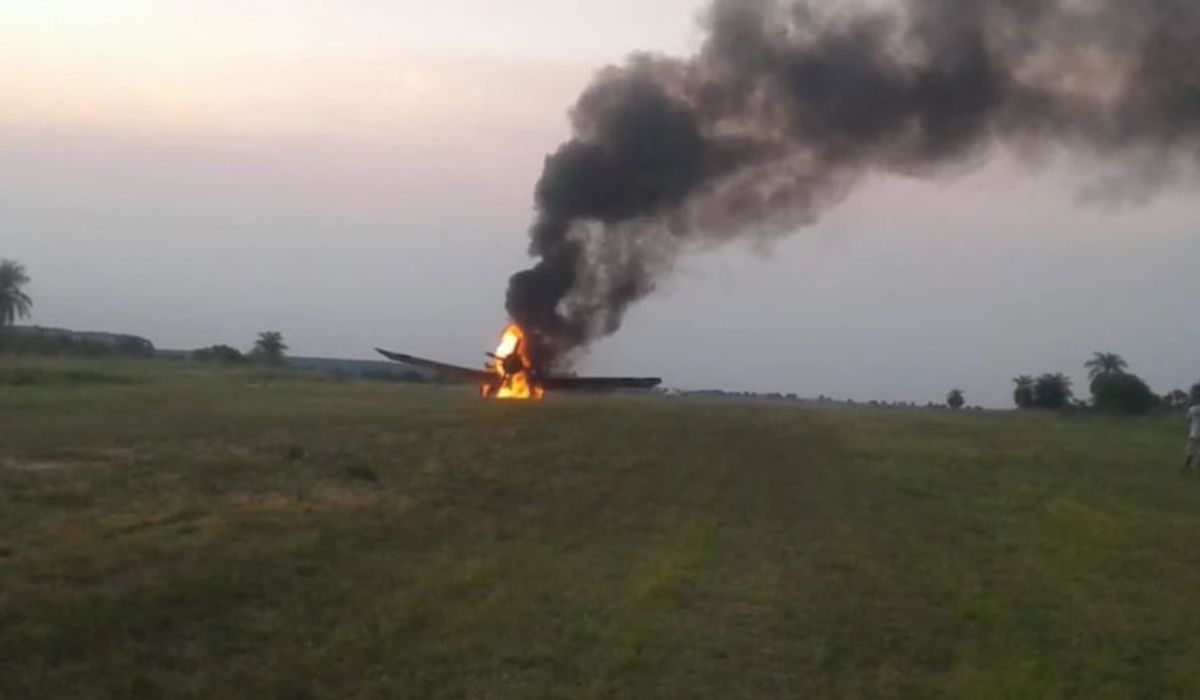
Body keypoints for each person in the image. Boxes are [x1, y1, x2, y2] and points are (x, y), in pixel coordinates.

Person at [1184, 395, 1200, 473]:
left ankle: (1187, 466)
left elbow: (1188, 419)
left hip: (1193, 433)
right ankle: (1197, 467)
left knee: (1190, 450)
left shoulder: (1192, 409)